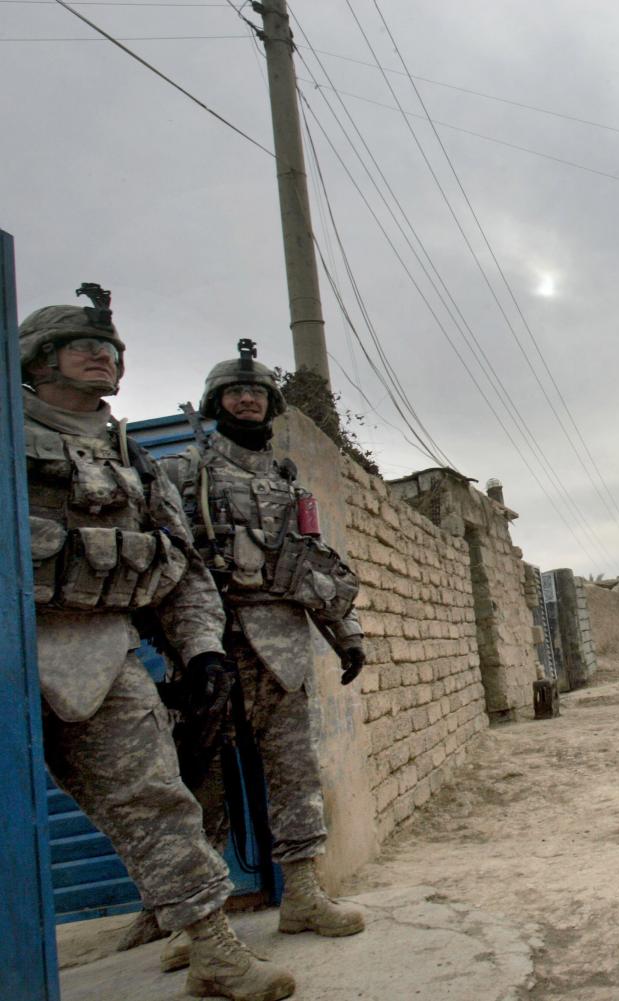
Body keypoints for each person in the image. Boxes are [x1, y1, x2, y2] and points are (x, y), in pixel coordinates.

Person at [20, 285, 297, 1000]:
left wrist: (201, 650)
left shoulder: (132, 462)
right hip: (13, 646)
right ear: (35, 359)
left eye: (110, 349)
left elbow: (180, 567)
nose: (100, 356)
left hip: (100, 650)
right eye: (80, 346)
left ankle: (212, 950)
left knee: (157, 800)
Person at [153, 338, 365, 970]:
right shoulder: (181, 474)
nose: (246, 398)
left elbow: (312, 564)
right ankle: (195, 923)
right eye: (234, 391)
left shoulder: (284, 481)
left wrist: (346, 632)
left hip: (279, 647)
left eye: (257, 393)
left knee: (294, 771)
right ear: (214, 402)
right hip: (205, 646)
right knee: (199, 786)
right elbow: (165, 564)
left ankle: (301, 894)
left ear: (270, 405)